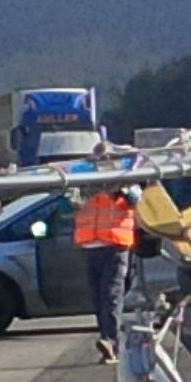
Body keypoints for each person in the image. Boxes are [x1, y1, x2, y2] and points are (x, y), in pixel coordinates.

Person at [73, 144, 139, 363]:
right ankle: (108, 340)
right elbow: (70, 205)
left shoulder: (125, 180)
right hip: (91, 245)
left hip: (115, 245)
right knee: (98, 297)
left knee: (111, 294)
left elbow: (135, 200)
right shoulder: (84, 180)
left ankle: (111, 341)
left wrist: (121, 190)